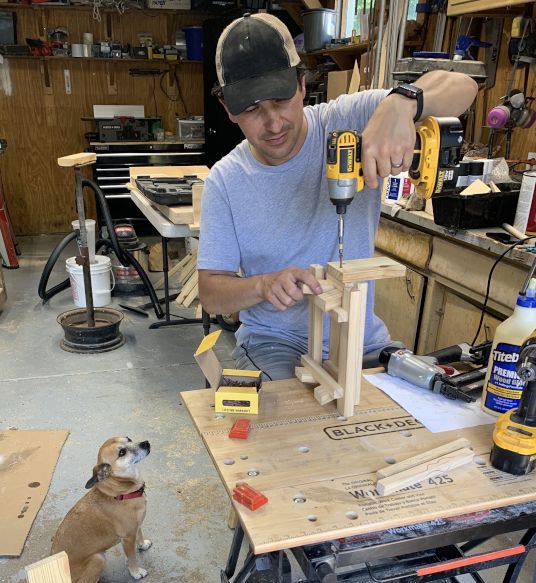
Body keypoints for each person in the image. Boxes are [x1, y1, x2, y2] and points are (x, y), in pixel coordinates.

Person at [197, 12, 479, 381]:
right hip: (276, 341)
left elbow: (464, 86)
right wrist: (263, 285)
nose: (273, 123)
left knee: (422, 400)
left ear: (301, 84)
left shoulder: (350, 120)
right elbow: (211, 293)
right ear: (228, 110)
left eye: (281, 100)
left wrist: (402, 102)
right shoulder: (225, 181)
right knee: (289, 413)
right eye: (252, 110)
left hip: (362, 340)